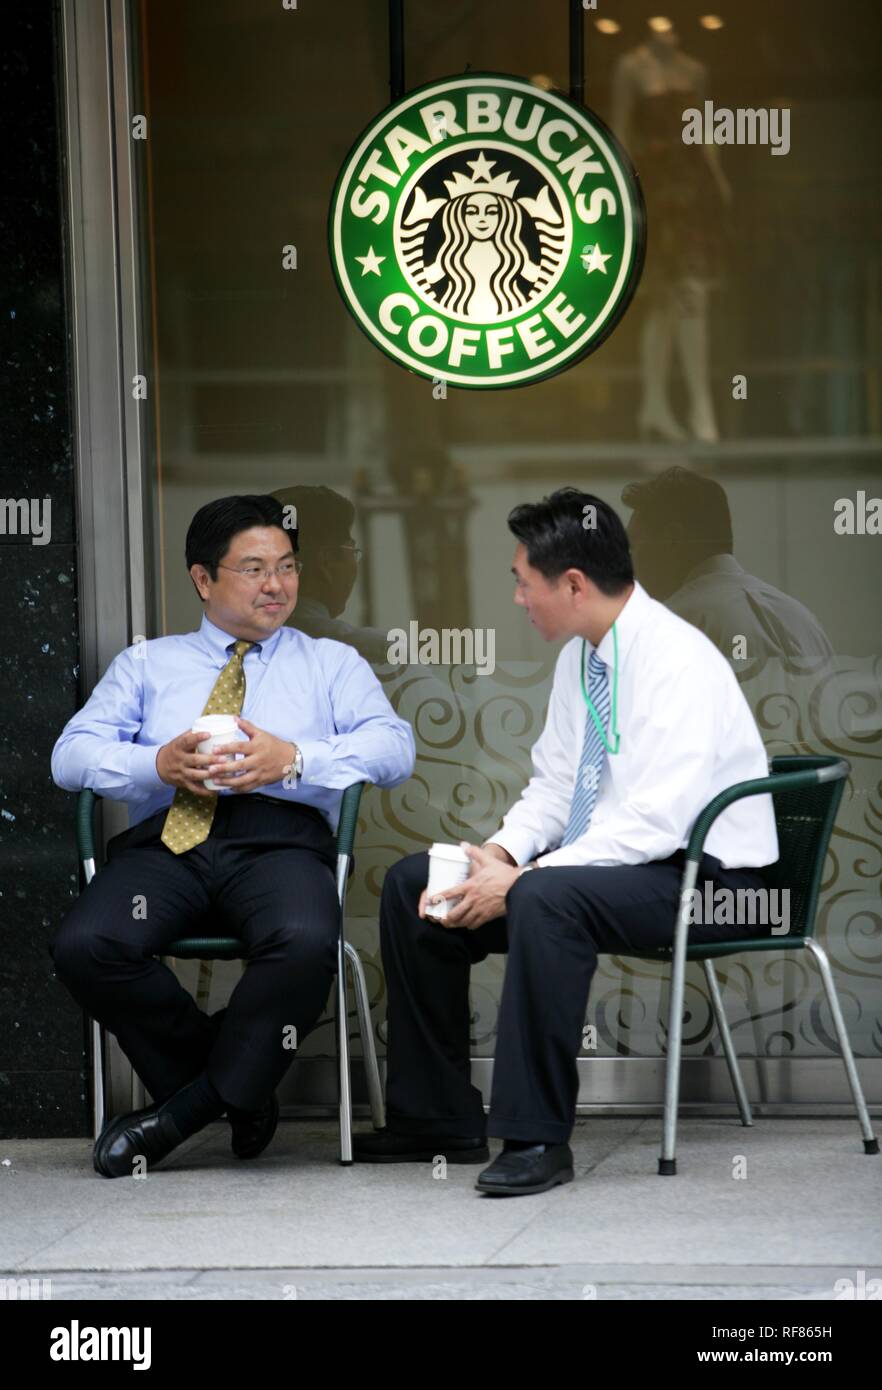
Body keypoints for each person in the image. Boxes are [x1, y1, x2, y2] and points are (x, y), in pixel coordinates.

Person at [354, 489, 778, 1196]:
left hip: (714, 885)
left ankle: (536, 1139)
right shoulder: (584, 659)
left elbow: (655, 820)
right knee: (416, 884)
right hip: (619, 867)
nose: (519, 598)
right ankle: (435, 1118)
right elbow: (555, 785)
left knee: (548, 899)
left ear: (573, 584)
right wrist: (502, 855)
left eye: (524, 582)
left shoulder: (675, 659)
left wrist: (526, 881)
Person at [50, 494, 414, 1178]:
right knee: (86, 944)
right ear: (203, 579)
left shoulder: (329, 664)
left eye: (286, 566)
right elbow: (69, 757)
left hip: (280, 844)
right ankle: (236, 1088)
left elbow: (394, 748)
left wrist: (295, 760)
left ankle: (183, 1113)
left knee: (306, 941)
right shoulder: (147, 665)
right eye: (252, 568)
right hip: (168, 844)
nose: (276, 585)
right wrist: (152, 762)